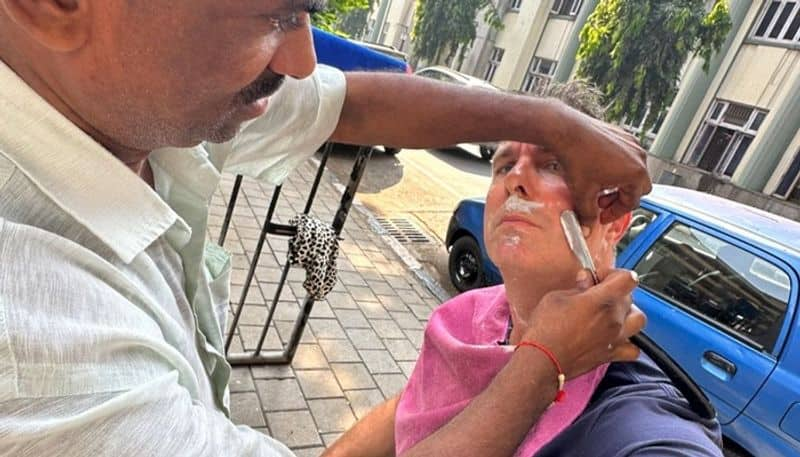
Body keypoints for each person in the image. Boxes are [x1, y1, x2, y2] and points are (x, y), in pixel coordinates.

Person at [0, 1, 650, 455]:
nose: (303, 60)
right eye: (271, 16)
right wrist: (544, 364)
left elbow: (354, 104)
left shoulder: (137, 99)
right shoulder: (28, 335)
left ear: (612, 218)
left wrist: (554, 122)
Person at [322, 99, 723, 455]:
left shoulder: (633, 417)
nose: (515, 180)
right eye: (504, 165)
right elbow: (408, 410)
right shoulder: (463, 318)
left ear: (615, 221)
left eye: (552, 165)